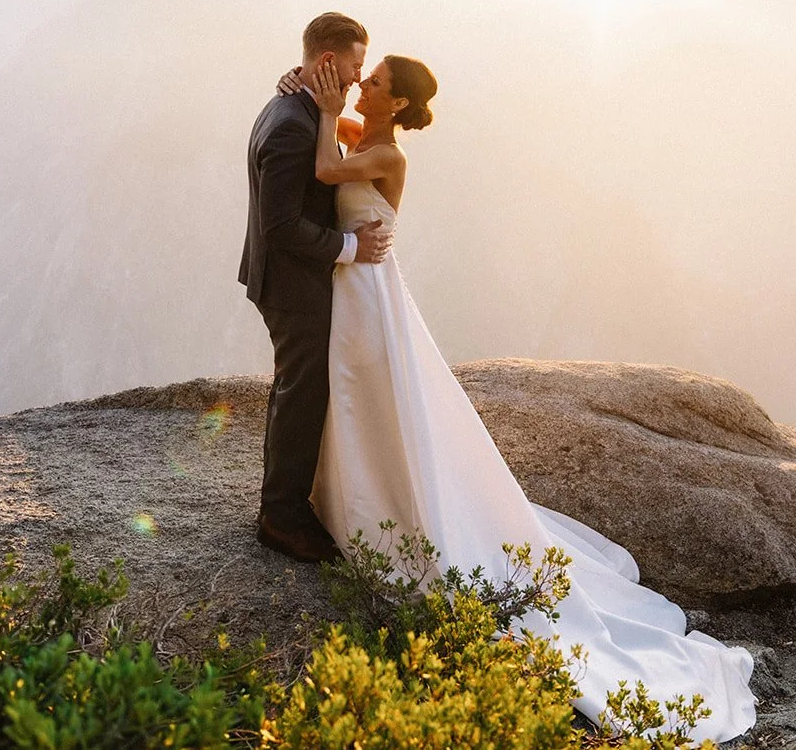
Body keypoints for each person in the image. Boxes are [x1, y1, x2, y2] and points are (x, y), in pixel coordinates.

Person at [287, 52, 758, 743]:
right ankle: (356, 498)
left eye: (377, 79)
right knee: (360, 397)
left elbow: (327, 168)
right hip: (352, 285)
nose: (365, 84)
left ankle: (385, 509)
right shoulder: (363, 128)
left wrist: (326, 110)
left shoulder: (386, 153)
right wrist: (302, 90)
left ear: (396, 101)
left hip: (369, 293)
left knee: (372, 393)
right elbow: (322, 132)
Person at [239, 12, 392, 564]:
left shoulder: (294, 107)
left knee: (297, 391)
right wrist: (352, 249)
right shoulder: (293, 124)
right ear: (327, 62)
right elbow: (281, 225)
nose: (356, 81)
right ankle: (280, 518)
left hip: (293, 279)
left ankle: (286, 504)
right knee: (302, 396)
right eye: (353, 69)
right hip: (292, 283)